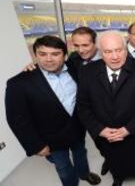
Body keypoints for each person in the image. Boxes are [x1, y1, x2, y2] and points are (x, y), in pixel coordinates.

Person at [5, 36, 101, 186]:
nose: (48, 59)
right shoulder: (18, 84)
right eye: (42, 54)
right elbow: (17, 119)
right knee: (63, 167)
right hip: (50, 139)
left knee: (81, 153)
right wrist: (36, 145)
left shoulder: (75, 67)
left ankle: (84, 173)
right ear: (35, 55)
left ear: (65, 55)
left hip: (77, 128)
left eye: (55, 54)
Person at [77, 31, 135, 186]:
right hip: (107, 134)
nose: (114, 57)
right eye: (108, 51)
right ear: (100, 53)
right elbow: (83, 107)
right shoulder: (86, 72)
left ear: (126, 50)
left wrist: (128, 129)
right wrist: (100, 129)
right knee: (114, 160)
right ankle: (118, 178)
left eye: (118, 50)